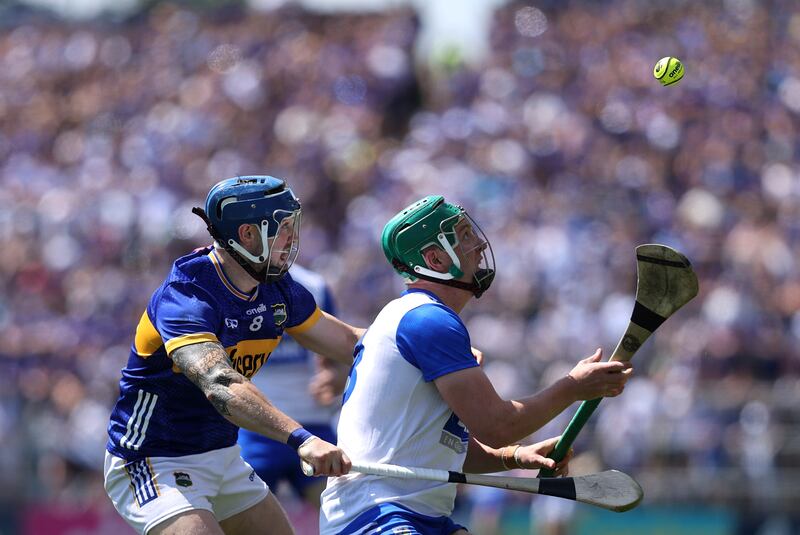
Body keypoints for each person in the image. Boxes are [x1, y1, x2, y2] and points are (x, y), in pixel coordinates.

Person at [319, 195, 633, 535]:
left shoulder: (419, 318)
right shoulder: (427, 321)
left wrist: (512, 457)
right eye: (465, 237)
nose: (480, 245)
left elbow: (439, 448)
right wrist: (573, 387)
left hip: (408, 512)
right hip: (377, 514)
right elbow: (498, 425)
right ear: (435, 258)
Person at [104, 176, 362, 535]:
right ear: (247, 235)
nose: (292, 237)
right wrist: (302, 438)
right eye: (283, 227)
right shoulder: (186, 298)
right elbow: (221, 386)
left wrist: (428, 346)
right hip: (154, 458)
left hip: (222, 456)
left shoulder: (276, 288)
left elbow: (349, 341)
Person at [238, 264, 349, 509]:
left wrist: (335, 377)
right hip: (256, 425)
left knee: (343, 516)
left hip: (312, 421)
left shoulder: (314, 286)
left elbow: (339, 354)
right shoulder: (233, 285)